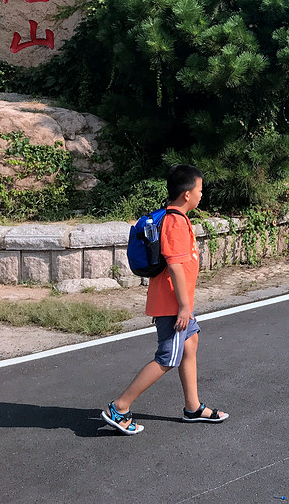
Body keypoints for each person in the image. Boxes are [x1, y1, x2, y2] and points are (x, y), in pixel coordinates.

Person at [100, 164, 228, 435]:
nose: (201, 195)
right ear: (186, 195)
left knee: (190, 344)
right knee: (167, 357)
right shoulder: (175, 222)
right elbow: (176, 267)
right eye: (200, 190)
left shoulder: (175, 218)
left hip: (175, 303)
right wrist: (183, 307)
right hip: (173, 304)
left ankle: (192, 408)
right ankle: (119, 406)